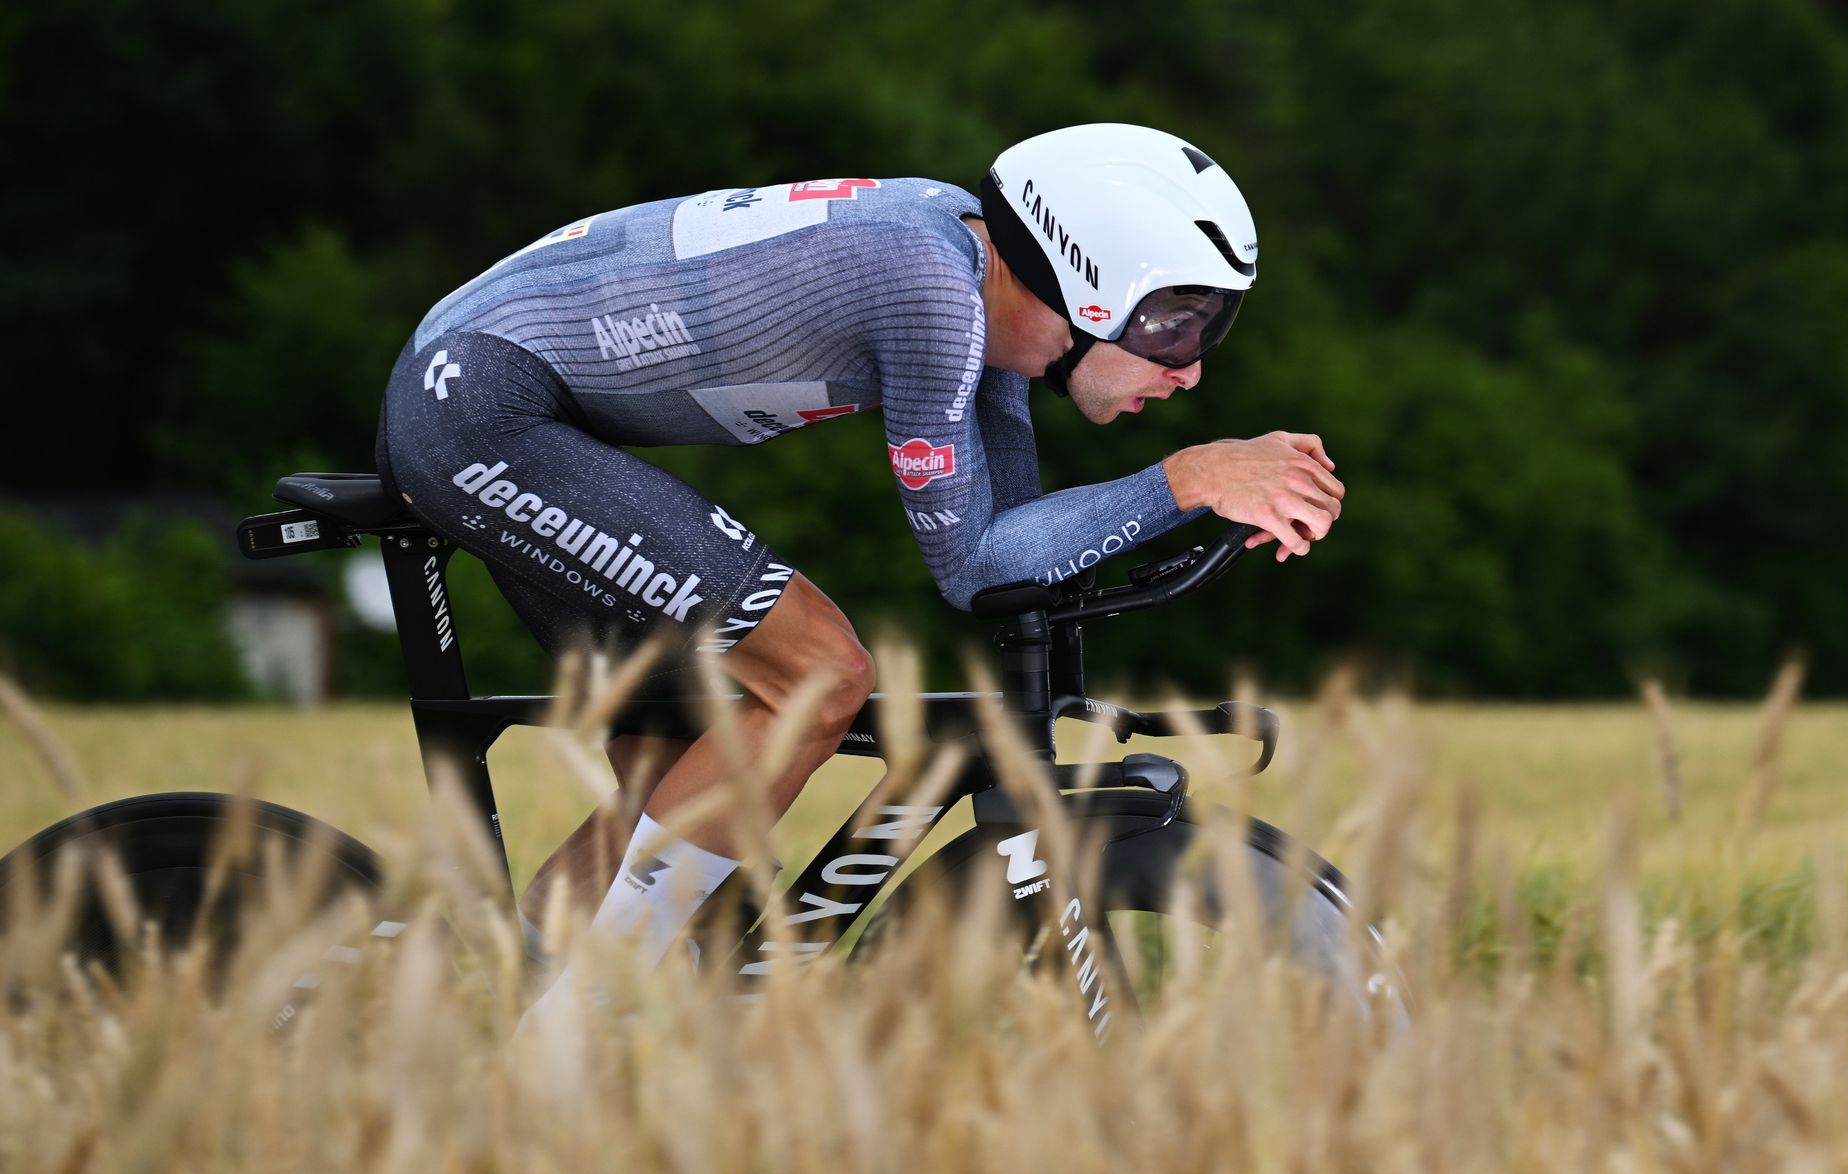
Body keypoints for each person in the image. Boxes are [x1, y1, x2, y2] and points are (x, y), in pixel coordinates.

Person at [373, 122, 1344, 1006]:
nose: (1193, 367)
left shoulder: (974, 272)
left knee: (669, 771)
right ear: (1085, 281)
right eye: (1178, 320)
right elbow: (974, 565)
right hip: (480, 405)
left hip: (497, 395)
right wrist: (1185, 478)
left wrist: (1186, 501)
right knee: (819, 675)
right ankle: (573, 1030)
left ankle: (501, 1017)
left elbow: (1018, 553)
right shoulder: (929, 290)